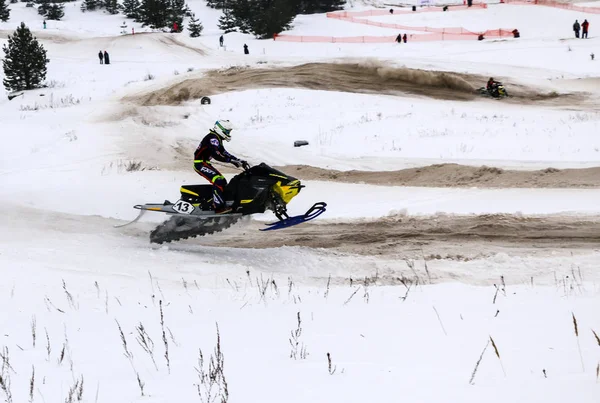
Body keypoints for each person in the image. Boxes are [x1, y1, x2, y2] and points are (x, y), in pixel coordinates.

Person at [193, 120, 248, 214]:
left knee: (222, 181)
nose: (228, 133)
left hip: (205, 163)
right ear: (220, 129)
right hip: (200, 164)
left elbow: (224, 152)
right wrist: (230, 161)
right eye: (227, 131)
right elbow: (216, 155)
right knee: (218, 180)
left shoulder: (217, 138)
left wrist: (238, 160)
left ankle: (215, 201)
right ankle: (218, 207)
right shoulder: (212, 139)